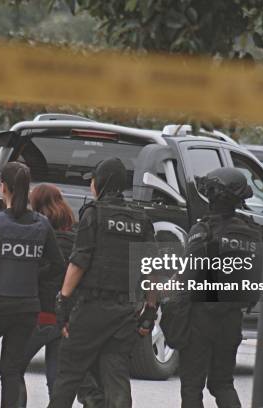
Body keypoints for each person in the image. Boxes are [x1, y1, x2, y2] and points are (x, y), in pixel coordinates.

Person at [48, 157, 157, 408]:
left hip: (91, 310)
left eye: (93, 181)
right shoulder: (141, 219)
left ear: (102, 183)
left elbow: (79, 262)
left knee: (69, 376)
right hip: (124, 313)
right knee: (116, 378)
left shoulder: (93, 215)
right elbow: (153, 269)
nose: (91, 186)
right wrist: (150, 310)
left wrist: (63, 299)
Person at [0, 162, 65, 408]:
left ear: (3, 187)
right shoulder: (42, 224)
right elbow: (58, 264)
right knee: (11, 371)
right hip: (27, 307)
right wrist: (32, 274)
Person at [178, 167, 262, 408]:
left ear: (213, 195)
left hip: (201, 318)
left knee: (192, 386)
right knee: (222, 383)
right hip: (233, 319)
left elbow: (188, 279)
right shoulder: (252, 233)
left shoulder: (203, 230)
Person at [18, 183, 76, 407]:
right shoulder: (75, 235)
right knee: (56, 380)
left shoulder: (36, 233)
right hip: (63, 319)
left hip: (38, 314)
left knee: (12, 369)